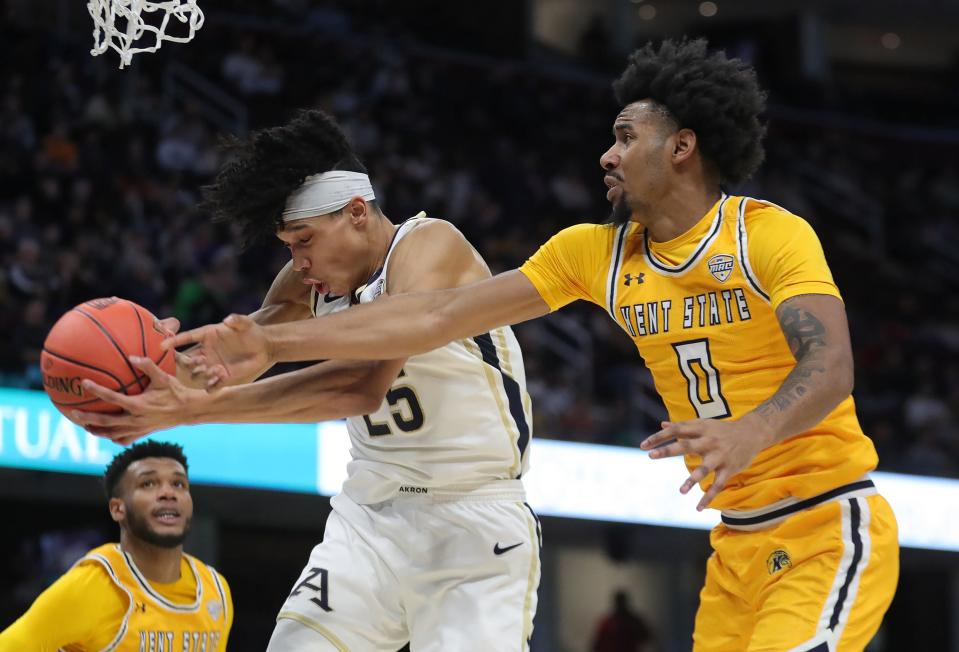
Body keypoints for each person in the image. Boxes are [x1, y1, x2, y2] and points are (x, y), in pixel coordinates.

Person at [170, 39, 900, 651]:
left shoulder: (765, 233)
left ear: (681, 147)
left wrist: (753, 429)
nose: (606, 156)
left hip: (826, 521)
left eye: (624, 137)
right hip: (735, 546)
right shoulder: (594, 253)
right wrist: (266, 344)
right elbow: (433, 318)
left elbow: (830, 363)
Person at [72, 109, 541, 651]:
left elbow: (361, 384)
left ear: (358, 212)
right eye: (287, 245)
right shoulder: (306, 280)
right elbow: (236, 356)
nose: (297, 260)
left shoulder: (430, 245)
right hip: (369, 518)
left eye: (304, 240)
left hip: (474, 524)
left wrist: (198, 408)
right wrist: (154, 371)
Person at [0, 441, 232, 650]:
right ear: (117, 509)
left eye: (179, 484)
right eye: (148, 483)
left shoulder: (216, 591)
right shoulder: (95, 585)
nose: (168, 493)